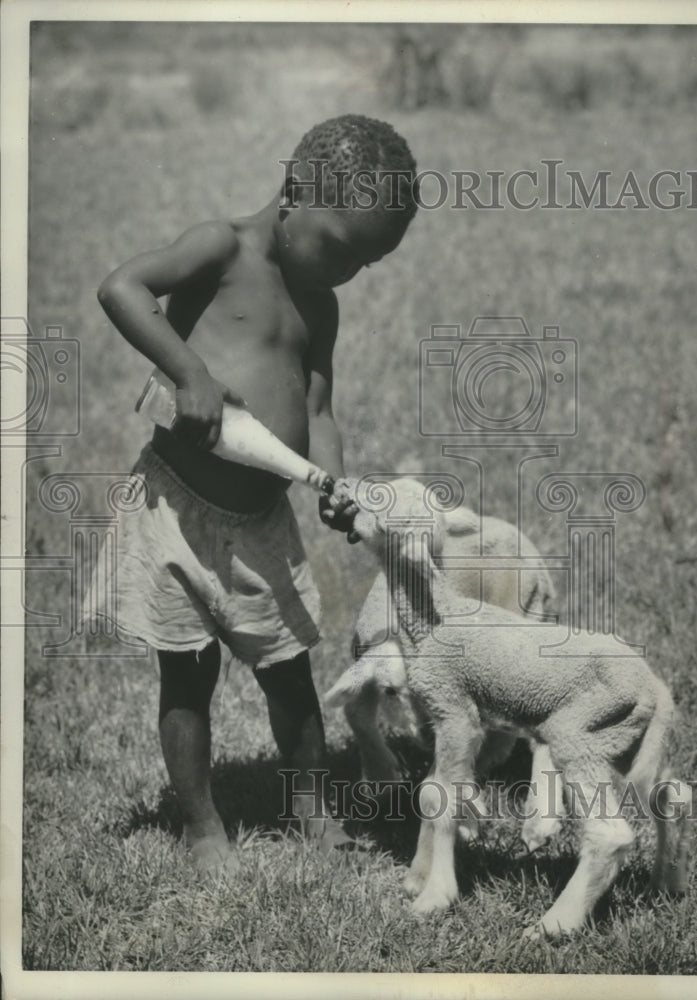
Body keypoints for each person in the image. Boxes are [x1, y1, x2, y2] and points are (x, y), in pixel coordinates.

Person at [92, 114, 418, 872]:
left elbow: (318, 407)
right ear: (296, 191)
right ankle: (205, 829)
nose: (349, 274)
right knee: (188, 672)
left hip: (263, 519)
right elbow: (121, 288)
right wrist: (190, 372)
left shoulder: (321, 305)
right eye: (343, 249)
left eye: (369, 264)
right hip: (175, 507)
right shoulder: (222, 247)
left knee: (290, 673)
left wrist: (333, 482)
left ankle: (309, 809)